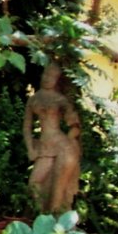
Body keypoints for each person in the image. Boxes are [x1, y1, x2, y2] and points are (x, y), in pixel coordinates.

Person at [23, 61, 81, 215]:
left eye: (53, 76)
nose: (48, 78)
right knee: (34, 183)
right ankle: (41, 216)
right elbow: (27, 127)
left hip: (62, 145)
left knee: (58, 187)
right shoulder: (34, 99)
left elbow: (75, 126)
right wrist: (30, 149)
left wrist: (71, 136)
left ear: (57, 80)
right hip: (45, 147)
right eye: (46, 74)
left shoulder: (60, 100)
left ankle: (56, 219)